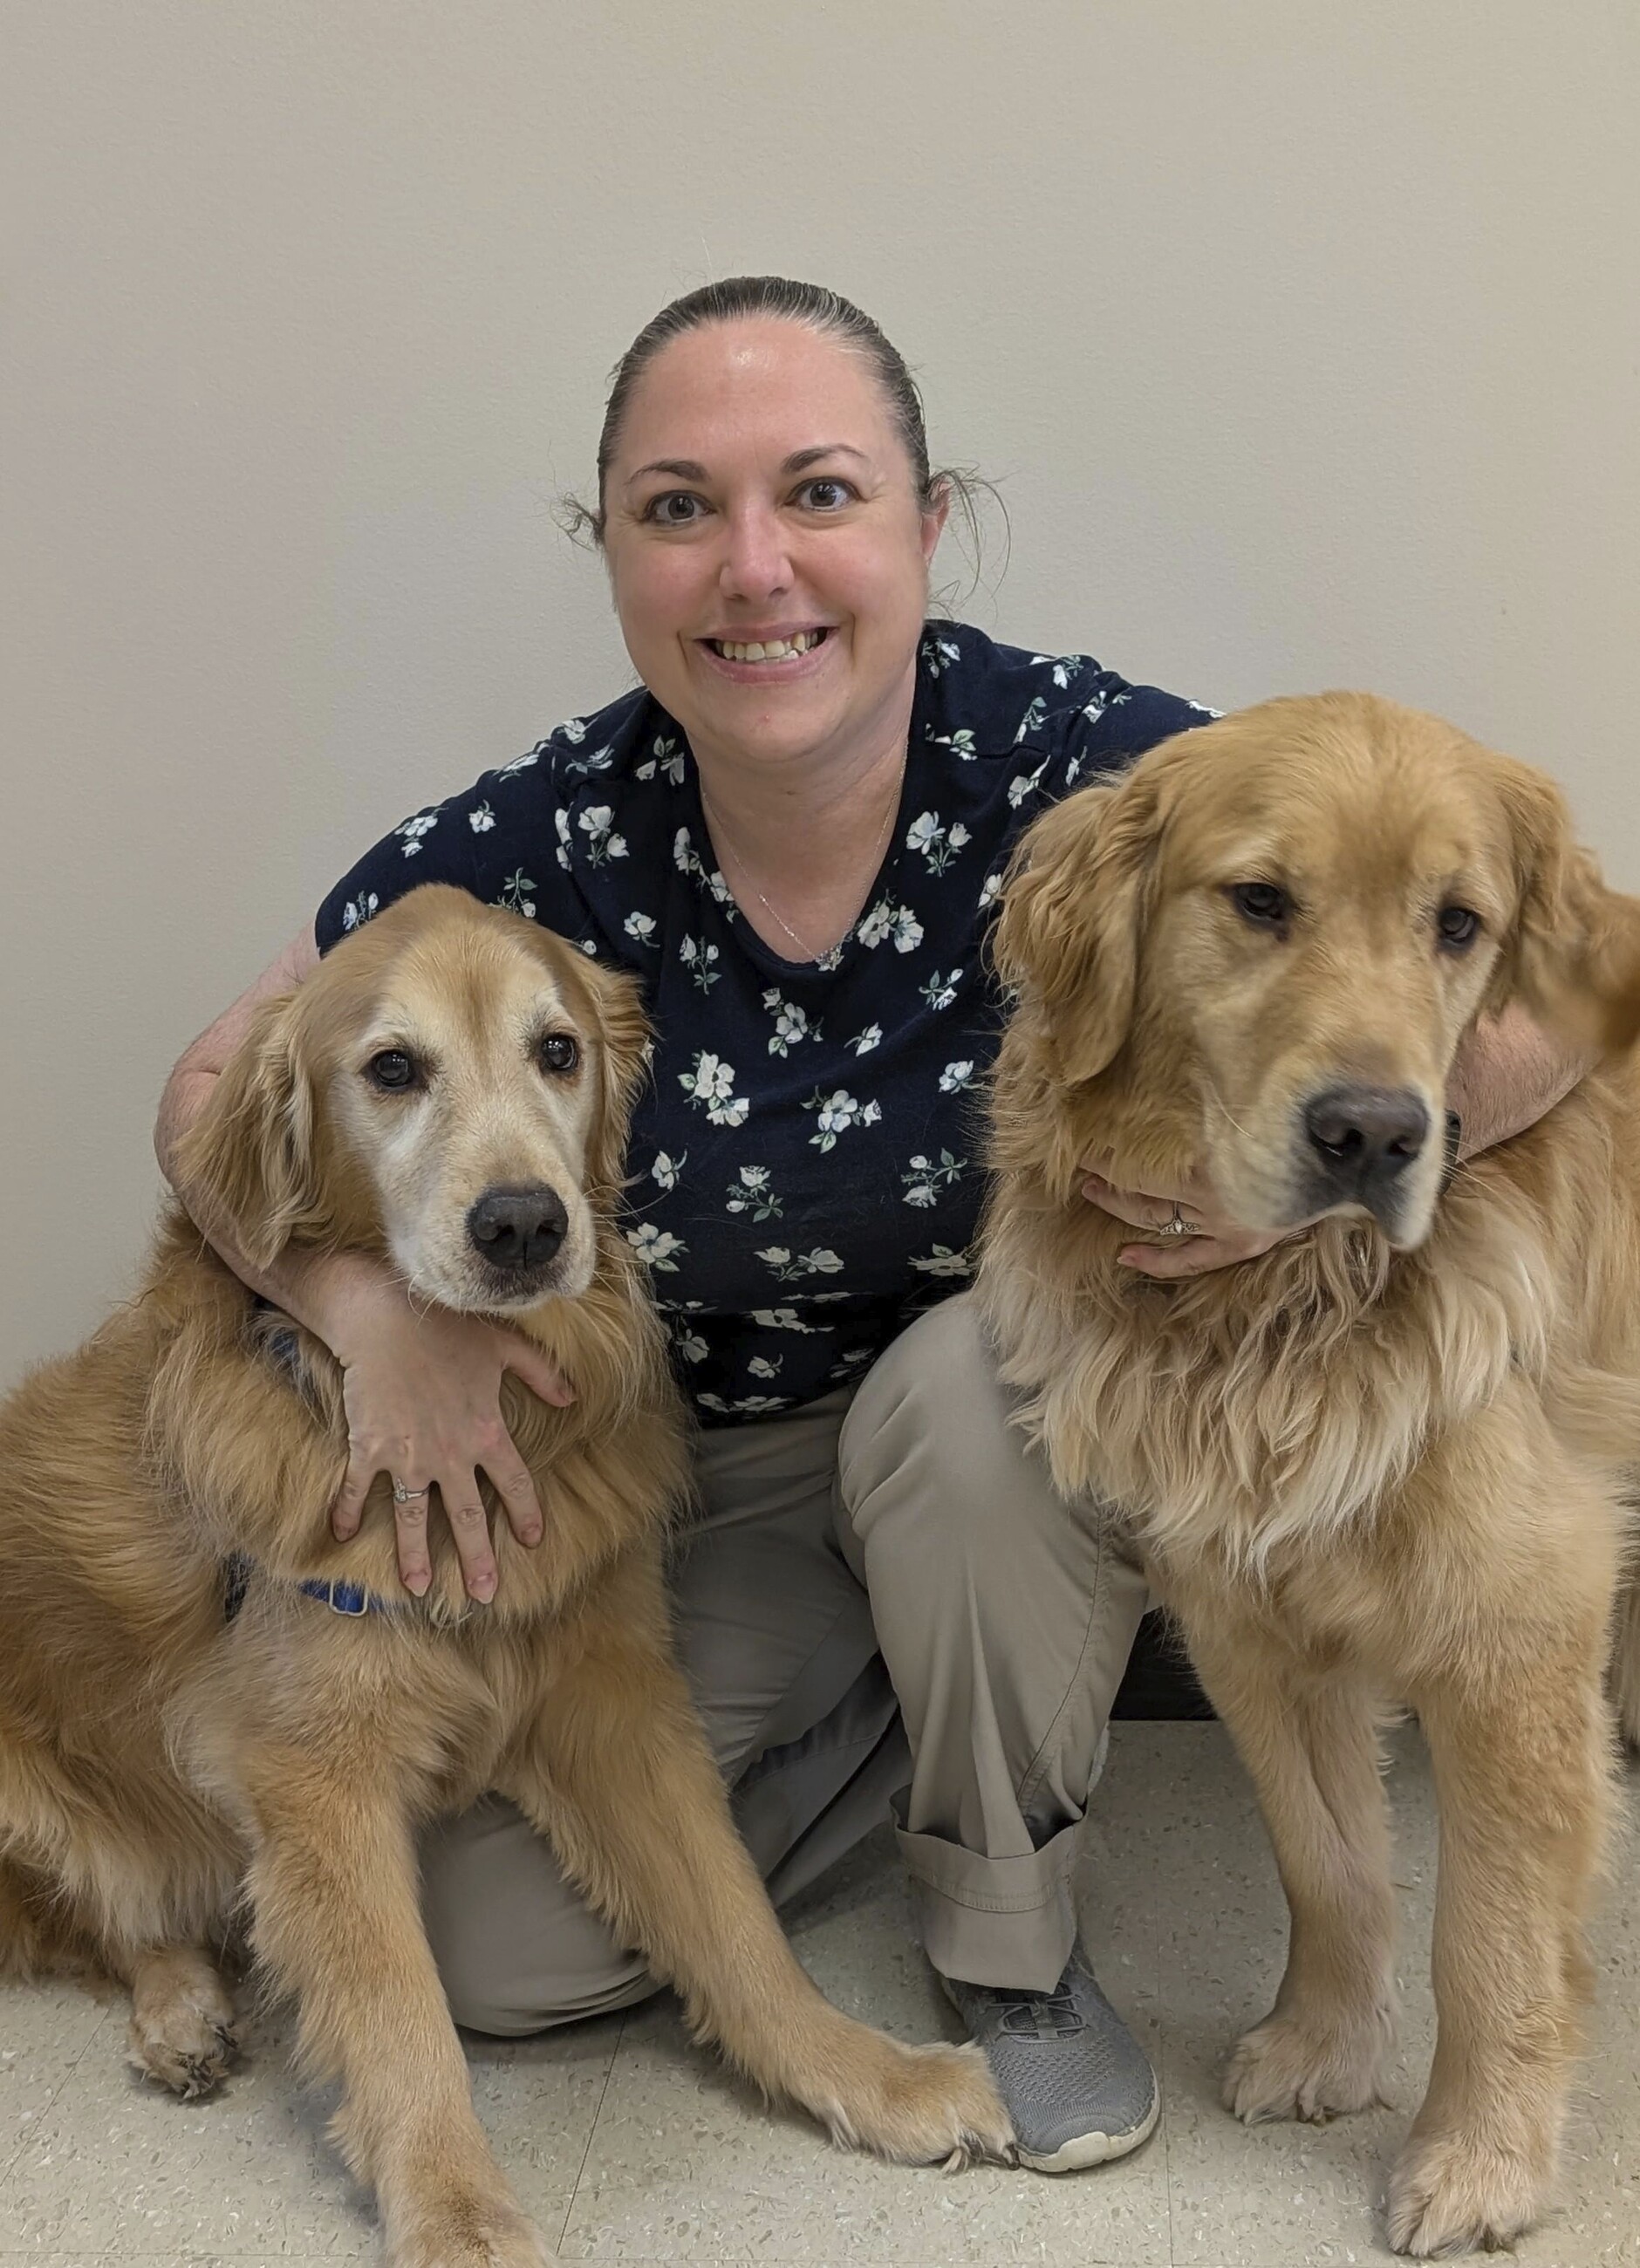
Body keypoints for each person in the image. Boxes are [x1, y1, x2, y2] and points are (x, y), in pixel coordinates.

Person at [155, 276, 1582, 2173]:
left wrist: (1296, 1164)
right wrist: (363, 1306)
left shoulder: (1100, 765)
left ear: (925, 520)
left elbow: (1546, 978)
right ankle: (916, 1729)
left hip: (997, 1419)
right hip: (694, 1464)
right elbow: (208, 1098)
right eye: (679, 507)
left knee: (964, 1407)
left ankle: (1008, 1938)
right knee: (501, 1958)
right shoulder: (548, 831)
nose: (757, 567)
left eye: (818, 493)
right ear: (617, 558)